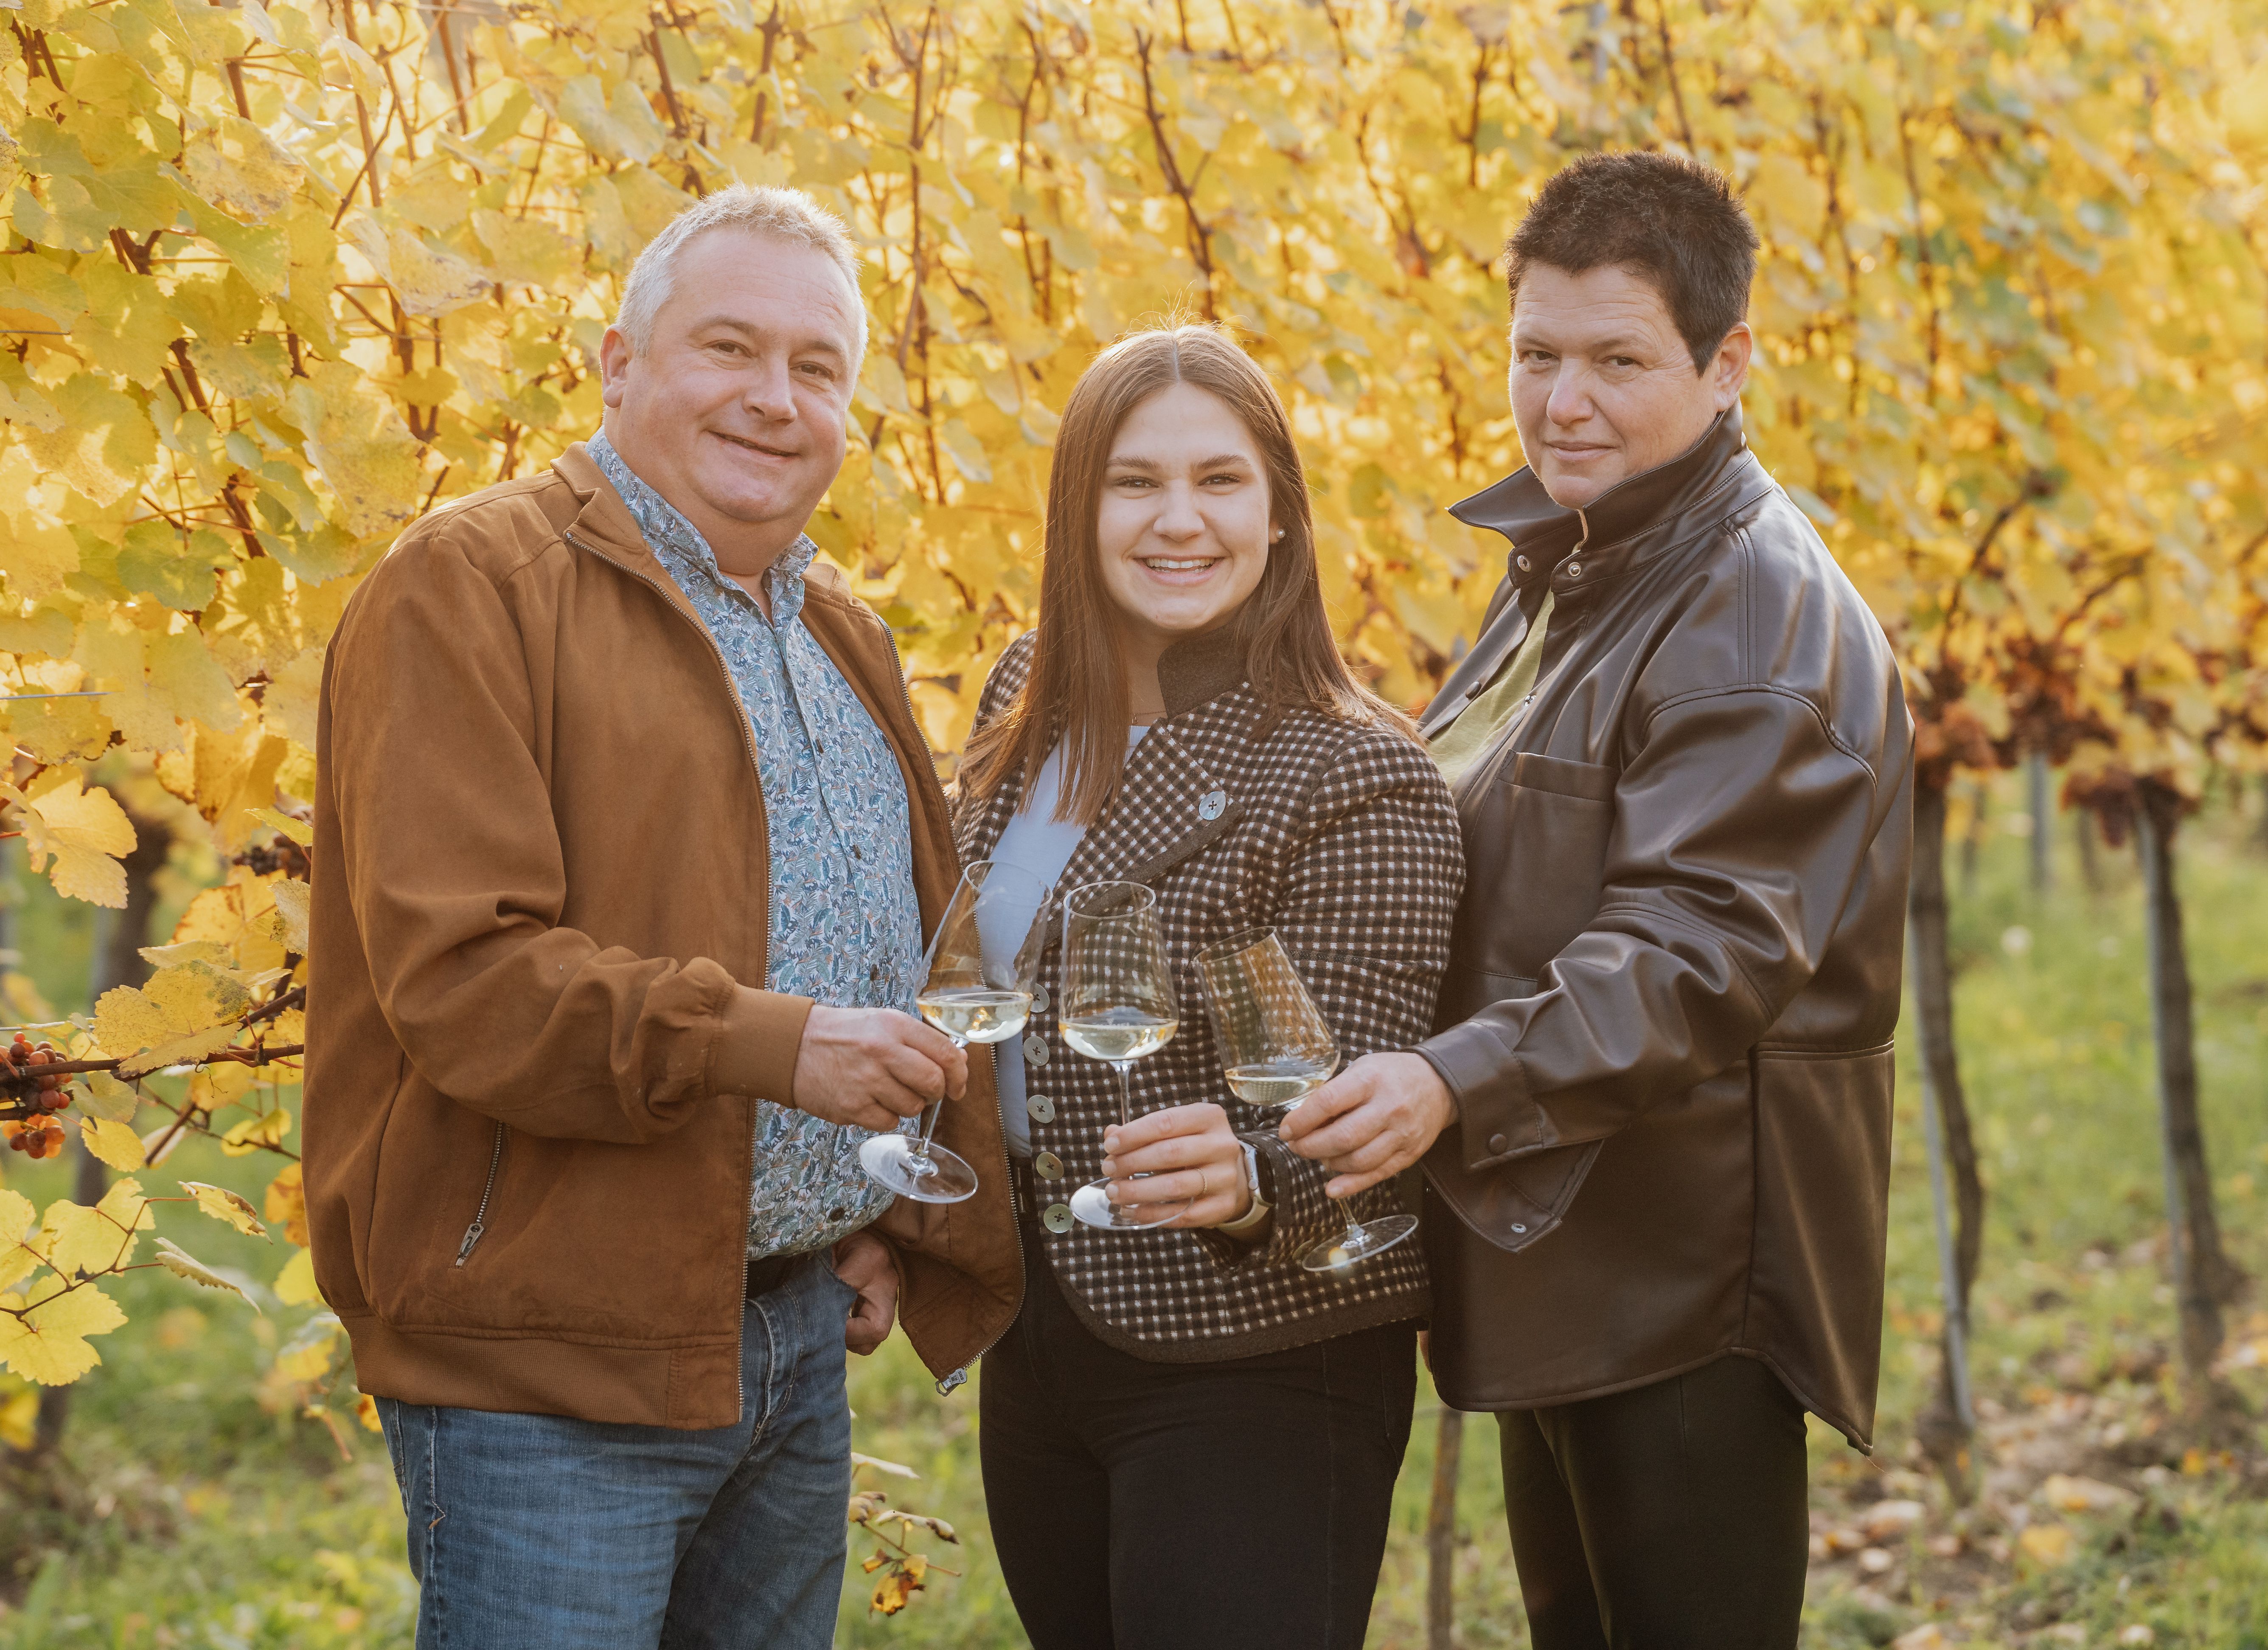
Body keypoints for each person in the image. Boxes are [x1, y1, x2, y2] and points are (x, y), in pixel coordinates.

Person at [303, 185, 1019, 1650]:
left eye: (817, 368)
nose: (774, 398)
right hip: (546, 1364)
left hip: (787, 1340)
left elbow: (896, 949)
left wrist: (874, 1205)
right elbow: (468, 978)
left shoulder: (843, 639)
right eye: (728, 348)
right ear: (620, 363)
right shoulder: (469, 587)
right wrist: (778, 1049)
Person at [1282, 152, 1915, 1648]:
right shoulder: (1587, 554)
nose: (1562, 402)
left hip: (1677, 1280)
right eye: (1537, 354)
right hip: (1562, 1239)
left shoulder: (1754, 617)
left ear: (1727, 361)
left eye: (1618, 360)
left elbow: (1697, 949)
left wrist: (1450, 1080)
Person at [954, 323, 1464, 1650]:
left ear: (1282, 517)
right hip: (1045, 1328)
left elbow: (1356, 1103)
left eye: (1221, 482)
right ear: (1081, 510)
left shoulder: (1357, 775)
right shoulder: (1027, 701)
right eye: (1135, 482)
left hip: (1258, 1356)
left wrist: (1250, 1174)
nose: (1179, 520)